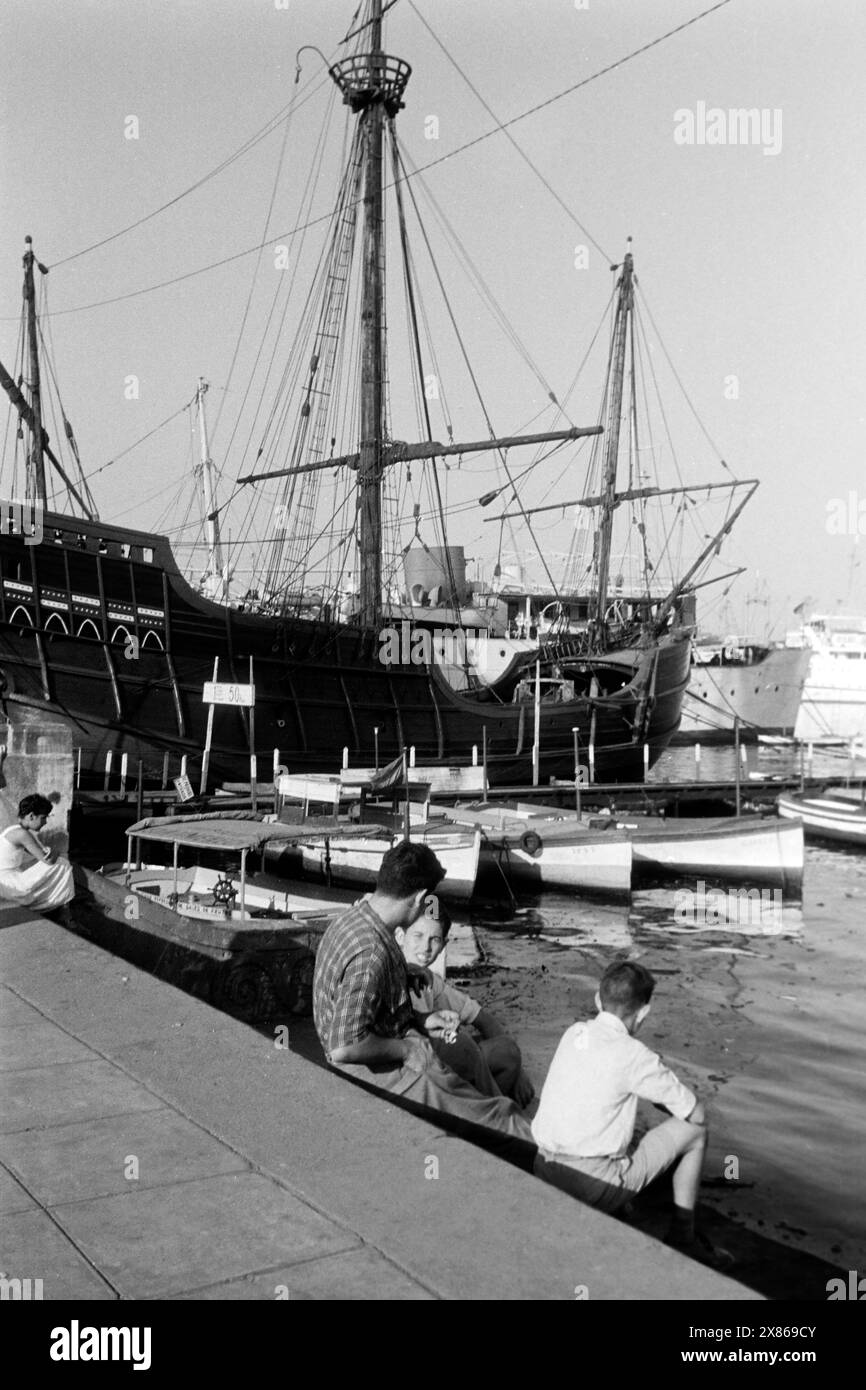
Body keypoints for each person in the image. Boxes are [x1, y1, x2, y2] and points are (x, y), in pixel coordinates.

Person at [313, 840, 533, 1146]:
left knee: (467, 1053)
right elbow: (344, 1047)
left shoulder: (352, 921)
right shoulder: (371, 953)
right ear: (419, 898)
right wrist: (407, 1050)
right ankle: (562, 1166)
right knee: (499, 1119)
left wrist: (420, 1016)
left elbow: (364, 1007)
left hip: (381, 1059)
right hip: (379, 1075)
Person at [531, 959, 732, 1268]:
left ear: (598, 1001)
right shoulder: (636, 1056)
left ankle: (620, 1202)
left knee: (616, 1120)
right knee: (694, 1134)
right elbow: (697, 1115)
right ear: (644, 1012)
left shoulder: (574, 1032)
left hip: (542, 1168)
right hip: (590, 1184)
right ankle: (683, 1236)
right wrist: (665, 1094)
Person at [397, 903, 535, 1108]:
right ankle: (493, 1111)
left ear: (443, 945)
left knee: (506, 1052)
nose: (425, 947)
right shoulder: (395, 973)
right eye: (418, 936)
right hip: (417, 1066)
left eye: (434, 939)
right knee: (505, 1054)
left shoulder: (430, 981)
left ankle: (484, 1107)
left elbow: (482, 1018)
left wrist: (520, 1072)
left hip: (430, 1062)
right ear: (400, 936)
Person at [0, 794, 75, 912]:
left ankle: (60, 907)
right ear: (31, 816)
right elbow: (48, 861)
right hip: (9, 886)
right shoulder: (22, 834)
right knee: (62, 863)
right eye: (43, 817)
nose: (45, 822)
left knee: (50, 863)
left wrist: (46, 851)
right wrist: (56, 851)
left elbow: (38, 854)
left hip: (5, 882)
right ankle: (65, 912)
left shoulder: (12, 829)